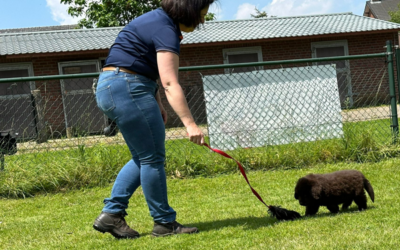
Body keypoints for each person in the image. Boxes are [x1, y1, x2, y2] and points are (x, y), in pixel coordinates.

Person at [93, 0, 216, 239]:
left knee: (143, 157)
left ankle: (111, 214)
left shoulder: (155, 19)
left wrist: (157, 102)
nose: (202, 21)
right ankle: (164, 222)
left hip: (114, 86)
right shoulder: (166, 29)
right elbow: (170, 82)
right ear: (187, 10)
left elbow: (142, 64)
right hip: (128, 87)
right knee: (152, 158)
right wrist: (190, 124)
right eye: (201, 15)